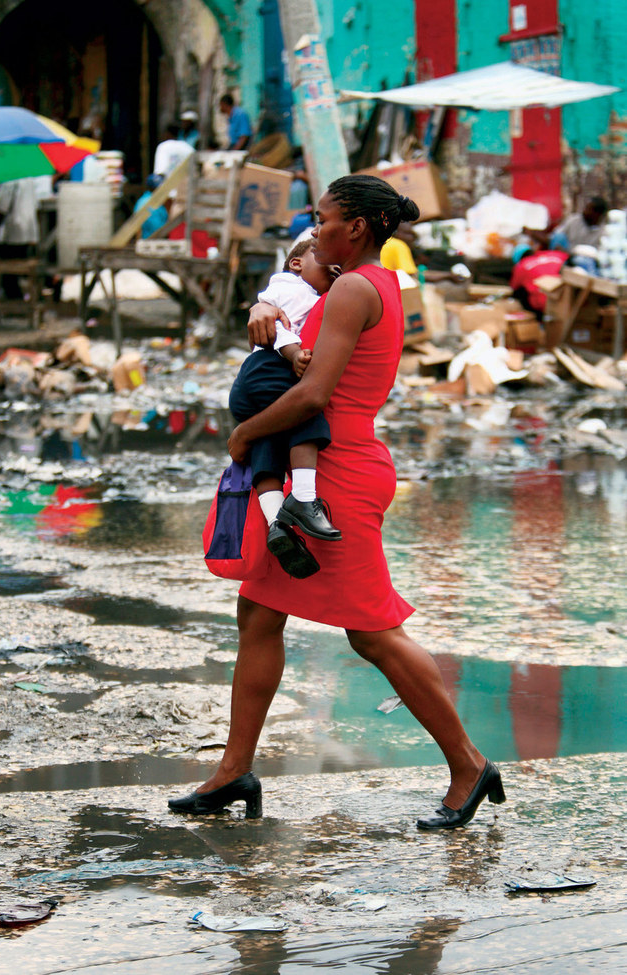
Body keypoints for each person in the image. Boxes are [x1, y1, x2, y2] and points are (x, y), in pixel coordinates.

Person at [168, 174, 506, 830]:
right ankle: (233, 772)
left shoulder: (356, 287)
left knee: (372, 631)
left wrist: (245, 432)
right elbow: (293, 318)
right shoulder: (364, 284)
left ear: (355, 226)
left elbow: (316, 393)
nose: (314, 228)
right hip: (324, 463)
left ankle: (469, 763)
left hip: (340, 472)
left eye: (323, 219)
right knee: (259, 612)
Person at [229, 238, 341, 578]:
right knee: (305, 414)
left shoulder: (313, 293)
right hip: (269, 368)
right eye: (326, 264)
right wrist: (294, 354)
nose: (335, 270)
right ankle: (305, 499)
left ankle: (277, 524)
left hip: (252, 381)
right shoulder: (292, 288)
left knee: (270, 445)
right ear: (296, 264)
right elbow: (278, 328)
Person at [0, 177, 40, 299]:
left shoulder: (9, 181)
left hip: (13, 232)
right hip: (28, 231)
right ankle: (20, 298)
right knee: (20, 270)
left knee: (9, 273)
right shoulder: (29, 179)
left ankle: (13, 301)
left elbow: (1, 208)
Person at [525, 197, 608, 252]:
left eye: (589, 209)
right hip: (566, 255)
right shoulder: (574, 220)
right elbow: (554, 238)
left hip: (586, 260)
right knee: (559, 237)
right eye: (585, 208)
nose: (584, 211)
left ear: (598, 214)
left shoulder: (604, 231)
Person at [510, 244, 568, 318]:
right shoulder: (555, 255)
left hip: (541, 303)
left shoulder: (521, 265)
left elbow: (514, 287)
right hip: (565, 298)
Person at [133, 174, 168, 239]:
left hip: (157, 241)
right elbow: (138, 227)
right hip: (150, 242)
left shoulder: (158, 201)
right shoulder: (146, 202)